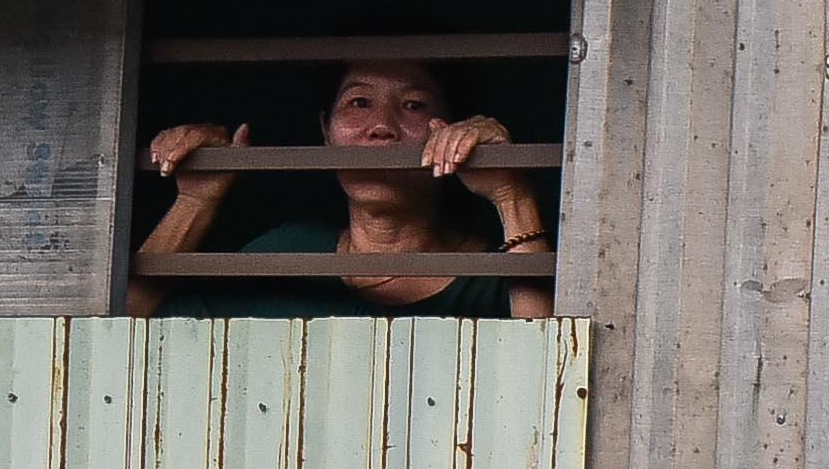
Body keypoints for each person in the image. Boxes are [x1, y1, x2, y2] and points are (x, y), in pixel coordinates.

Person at [128, 56, 551, 320]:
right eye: (359, 103)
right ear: (326, 133)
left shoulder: (493, 280)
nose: (382, 128)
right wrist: (195, 200)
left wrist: (511, 193)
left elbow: (554, 376)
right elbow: (121, 335)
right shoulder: (286, 256)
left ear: (453, 129)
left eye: (414, 105)